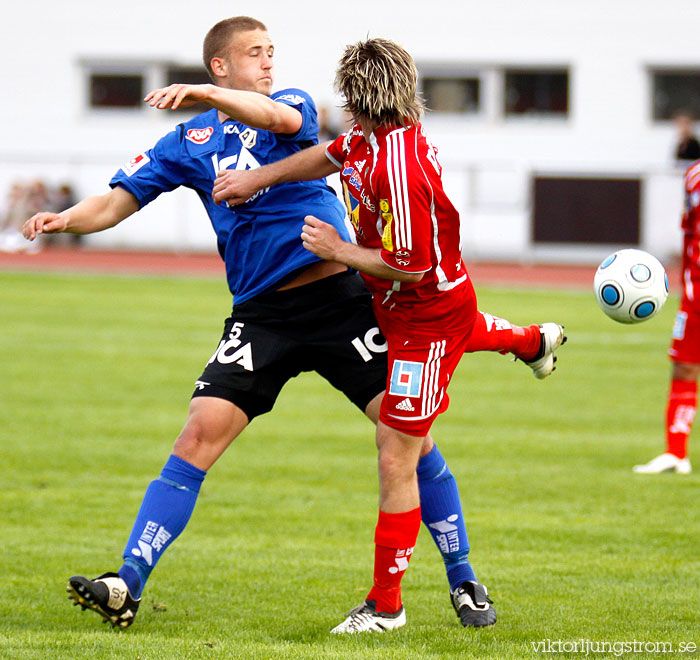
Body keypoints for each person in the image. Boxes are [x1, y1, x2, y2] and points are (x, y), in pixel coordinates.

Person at [21, 17, 560, 633]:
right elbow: (116, 203)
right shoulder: (185, 141)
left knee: (405, 442)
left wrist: (211, 96)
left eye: (272, 51)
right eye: (255, 54)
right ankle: (128, 581)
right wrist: (64, 219)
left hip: (340, 298)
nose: (270, 63)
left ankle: (462, 578)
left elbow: (276, 122)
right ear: (220, 63)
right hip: (262, 315)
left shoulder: (290, 105)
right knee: (197, 436)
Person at [212, 38, 565, 633]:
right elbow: (327, 156)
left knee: (396, 454)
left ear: (357, 96)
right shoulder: (373, 139)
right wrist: (260, 178)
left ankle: (387, 605)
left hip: (423, 320)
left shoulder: (400, 167)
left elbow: (411, 265)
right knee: (457, 345)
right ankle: (531, 341)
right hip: (409, 308)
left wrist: (338, 249)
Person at [634, 159, 700, 474]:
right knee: (684, 367)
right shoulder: (693, 176)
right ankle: (676, 453)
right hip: (695, 294)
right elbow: (689, 235)